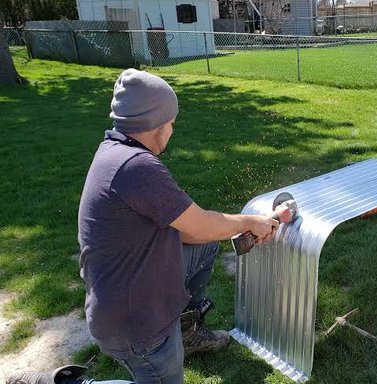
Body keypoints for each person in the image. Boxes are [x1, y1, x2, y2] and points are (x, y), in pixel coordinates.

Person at [6, 69, 278, 384]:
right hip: (134, 322)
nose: (173, 129)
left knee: (205, 247)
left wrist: (232, 226)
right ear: (156, 123)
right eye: (171, 121)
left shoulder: (115, 151)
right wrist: (250, 222)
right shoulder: (138, 168)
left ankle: (186, 332)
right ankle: (65, 382)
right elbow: (202, 225)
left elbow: (194, 233)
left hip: (120, 294)